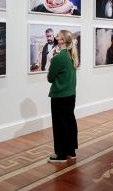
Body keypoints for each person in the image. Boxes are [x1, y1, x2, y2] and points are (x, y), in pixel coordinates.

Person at [47, 30, 79, 163]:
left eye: (58, 37)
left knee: (60, 125)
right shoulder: (72, 56)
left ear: (62, 41)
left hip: (59, 96)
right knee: (70, 122)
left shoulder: (58, 58)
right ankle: (71, 151)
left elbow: (50, 78)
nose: (55, 38)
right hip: (71, 95)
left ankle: (61, 155)